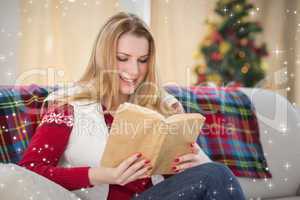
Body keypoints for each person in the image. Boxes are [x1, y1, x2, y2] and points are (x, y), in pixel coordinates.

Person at [18, 12, 245, 200]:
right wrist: (103, 175)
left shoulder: (162, 106)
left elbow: (197, 181)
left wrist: (194, 162)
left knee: (214, 173)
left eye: (142, 60)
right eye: (123, 58)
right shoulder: (68, 107)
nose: (134, 71)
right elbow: (28, 172)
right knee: (215, 174)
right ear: (103, 57)